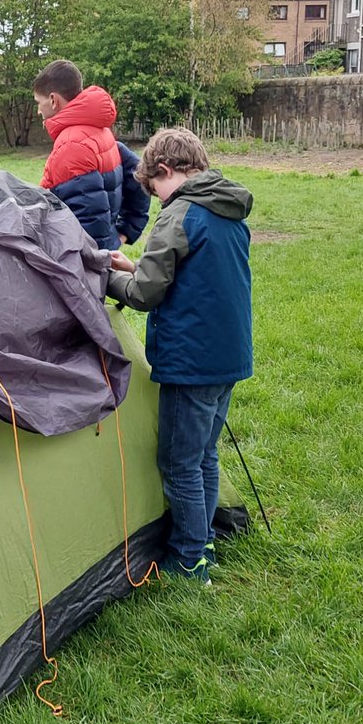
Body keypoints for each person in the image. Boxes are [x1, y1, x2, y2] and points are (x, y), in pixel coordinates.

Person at [106, 127, 253, 585]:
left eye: (154, 190)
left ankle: (189, 560)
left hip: (190, 362)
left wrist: (107, 281)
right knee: (205, 455)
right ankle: (203, 538)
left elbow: (147, 295)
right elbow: (186, 273)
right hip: (228, 355)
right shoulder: (227, 208)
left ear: (165, 171)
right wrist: (138, 266)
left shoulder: (179, 213)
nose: (156, 200)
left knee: (179, 463)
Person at [32, 59, 150, 250]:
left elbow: (89, 220)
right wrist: (125, 232)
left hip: (86, 268)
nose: (38, 110)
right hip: (103, 257)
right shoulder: (101, 132)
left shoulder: (72, 144)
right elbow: (139, 175)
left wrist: (100, 259)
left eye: (39, 102)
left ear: (53, 100)